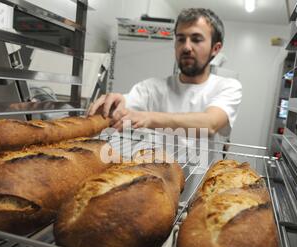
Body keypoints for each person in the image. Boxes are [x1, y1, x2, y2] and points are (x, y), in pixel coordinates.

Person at [88, 8, 242, 163]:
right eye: (181, 39)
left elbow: (210, 124)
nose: (187, 47)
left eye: (196, 39)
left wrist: (148, 118)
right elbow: (124, 105)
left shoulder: (227, 86)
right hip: (155, 181)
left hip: (202, 183)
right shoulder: (152, 88)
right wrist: (115, 104)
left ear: (215, 48)